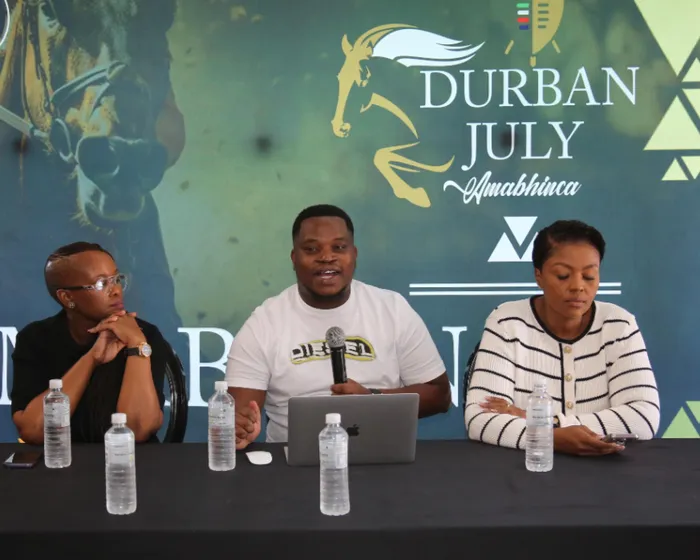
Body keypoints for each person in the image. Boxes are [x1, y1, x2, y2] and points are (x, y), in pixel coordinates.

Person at [226, 204, 451, 449]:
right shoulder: (265, 322)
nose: (326, 257)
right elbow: (240, 413)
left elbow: (439, 395)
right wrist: (240, 428)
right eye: (311, 249)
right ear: (294, 258)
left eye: (339, 247)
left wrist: (372, 399)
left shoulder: (392, 309)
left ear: (354, 254)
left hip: (380, 457)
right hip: (291, 461)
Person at [464, 220, 660, 456]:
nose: (578, 286)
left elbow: (644, 417)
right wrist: (553, 439)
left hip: (607, 472)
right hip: (526, 470)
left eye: (589, 276)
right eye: (563, 275)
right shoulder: (507, 322)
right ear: (539, 276)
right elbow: (480, 419)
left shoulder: (619, 325)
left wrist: (549, 423)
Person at [11, 242, 168, 444]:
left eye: (117, 279)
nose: (116, 290)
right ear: (67, 297)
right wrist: (92, 358)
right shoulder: (36, 339)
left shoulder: (145, 335)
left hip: (127, 460)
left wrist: (136, 345)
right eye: (102, 283)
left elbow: (137, 430)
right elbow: (33, 431)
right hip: (61, 460)